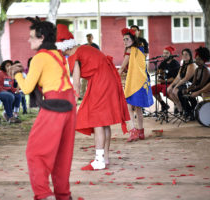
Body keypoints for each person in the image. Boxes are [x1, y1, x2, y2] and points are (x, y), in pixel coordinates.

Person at [10, 18, 76, 200]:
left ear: (42, 38)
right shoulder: (58, 55)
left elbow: (27, 88)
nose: (29, 41)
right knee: (62, 154)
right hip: (69, 104)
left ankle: (43, 195)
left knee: (35, 152)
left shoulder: (40, 57)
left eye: (32, 37)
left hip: (55, 104)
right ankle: (63, 195)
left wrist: (16, 73)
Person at [56, 24, 130, 171]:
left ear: (63, 46)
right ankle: (105, 158)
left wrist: (71, 99)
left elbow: (76, 82)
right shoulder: (84, 48)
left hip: (101, 83)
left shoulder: (73, 55)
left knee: (97, 120)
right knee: (104, 122)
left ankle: (99, 160)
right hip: (108, 81)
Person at [119, 28, 153, 142]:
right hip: (142, 79)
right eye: (123, 39)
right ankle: (141, 132)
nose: (124, 41)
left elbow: (123, 67)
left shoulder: (130, 50)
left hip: (134, 80)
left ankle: (133, 131)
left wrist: (114, 76)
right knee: (138, 107)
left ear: (132, 39)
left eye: (127, 39)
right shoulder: (141, 48)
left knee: (129, 106)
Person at [167, 49, 197, 116]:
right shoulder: (183, 66)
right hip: (184, 84)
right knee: (170, 90)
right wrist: (171, 85)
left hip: (191, 84)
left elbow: (186, 78)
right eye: (183, 54)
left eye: (186, 54)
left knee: (176, 91)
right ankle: (181, 109)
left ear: (190, 55)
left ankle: (188, 111)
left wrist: (176, 86)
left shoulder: (192, 65)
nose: (184, 56)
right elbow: (178, 77)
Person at [151, 46, 180, 112]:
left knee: (165, 90)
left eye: (166, 53)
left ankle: (177, 104)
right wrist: (158, 73)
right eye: (164, 53)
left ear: (171, 54)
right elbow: (158, 71)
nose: (164, 55)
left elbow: (174, 78)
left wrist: (163, 80)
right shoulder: (163, 62)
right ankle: (163, 105)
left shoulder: (175, 63)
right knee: (153, 89)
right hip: (164, 83)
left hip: (172, 84)